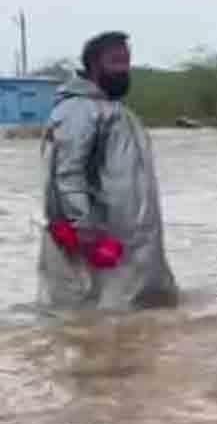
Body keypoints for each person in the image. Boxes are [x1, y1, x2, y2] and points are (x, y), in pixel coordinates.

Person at [37, 32, 179, 310]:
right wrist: (85, 229)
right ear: (93, 65)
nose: (124, 69)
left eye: (126, 61)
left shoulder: (116, 112)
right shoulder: (78, 110)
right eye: (115, 61)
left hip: (133, 245)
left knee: (141, 327)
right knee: (95, 324)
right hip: (100, 246)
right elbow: (68, 175)